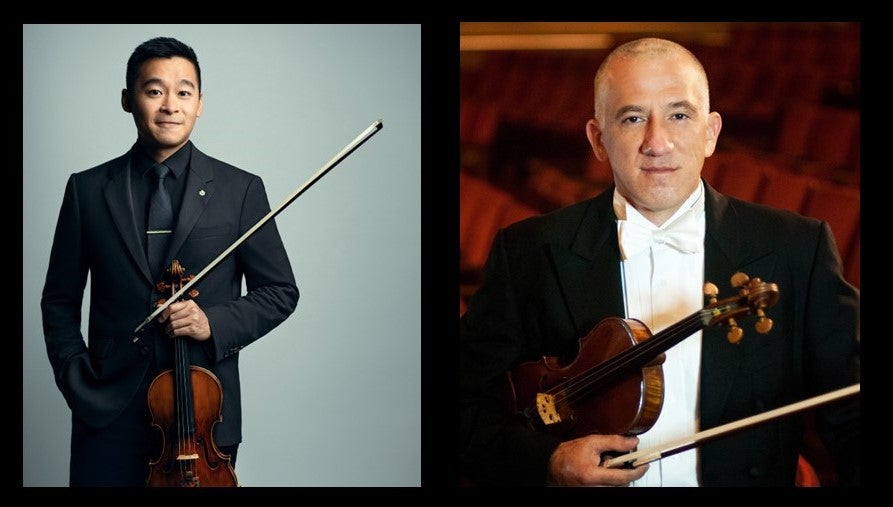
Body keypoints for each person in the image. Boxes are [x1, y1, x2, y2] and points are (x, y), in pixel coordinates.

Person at [459, 37, 860, 486]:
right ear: (598, 139)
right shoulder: (528, 252)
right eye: (632, 118)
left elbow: (853, 417)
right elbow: (462, 409)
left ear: (710, 133)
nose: (657, 142)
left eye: (679, 115)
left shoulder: (796, 250)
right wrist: (547, 461)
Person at [40, 37, 299, 486]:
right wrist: (75, 378)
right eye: (154, 90)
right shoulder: (86, 190)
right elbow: (59, 301)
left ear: (200, 104)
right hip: (107, 411)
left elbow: (280, 292)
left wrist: (212, 323)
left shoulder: (240, 190)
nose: (170, 106)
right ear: (128, 99)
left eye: (184, 92)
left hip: (201, 417)